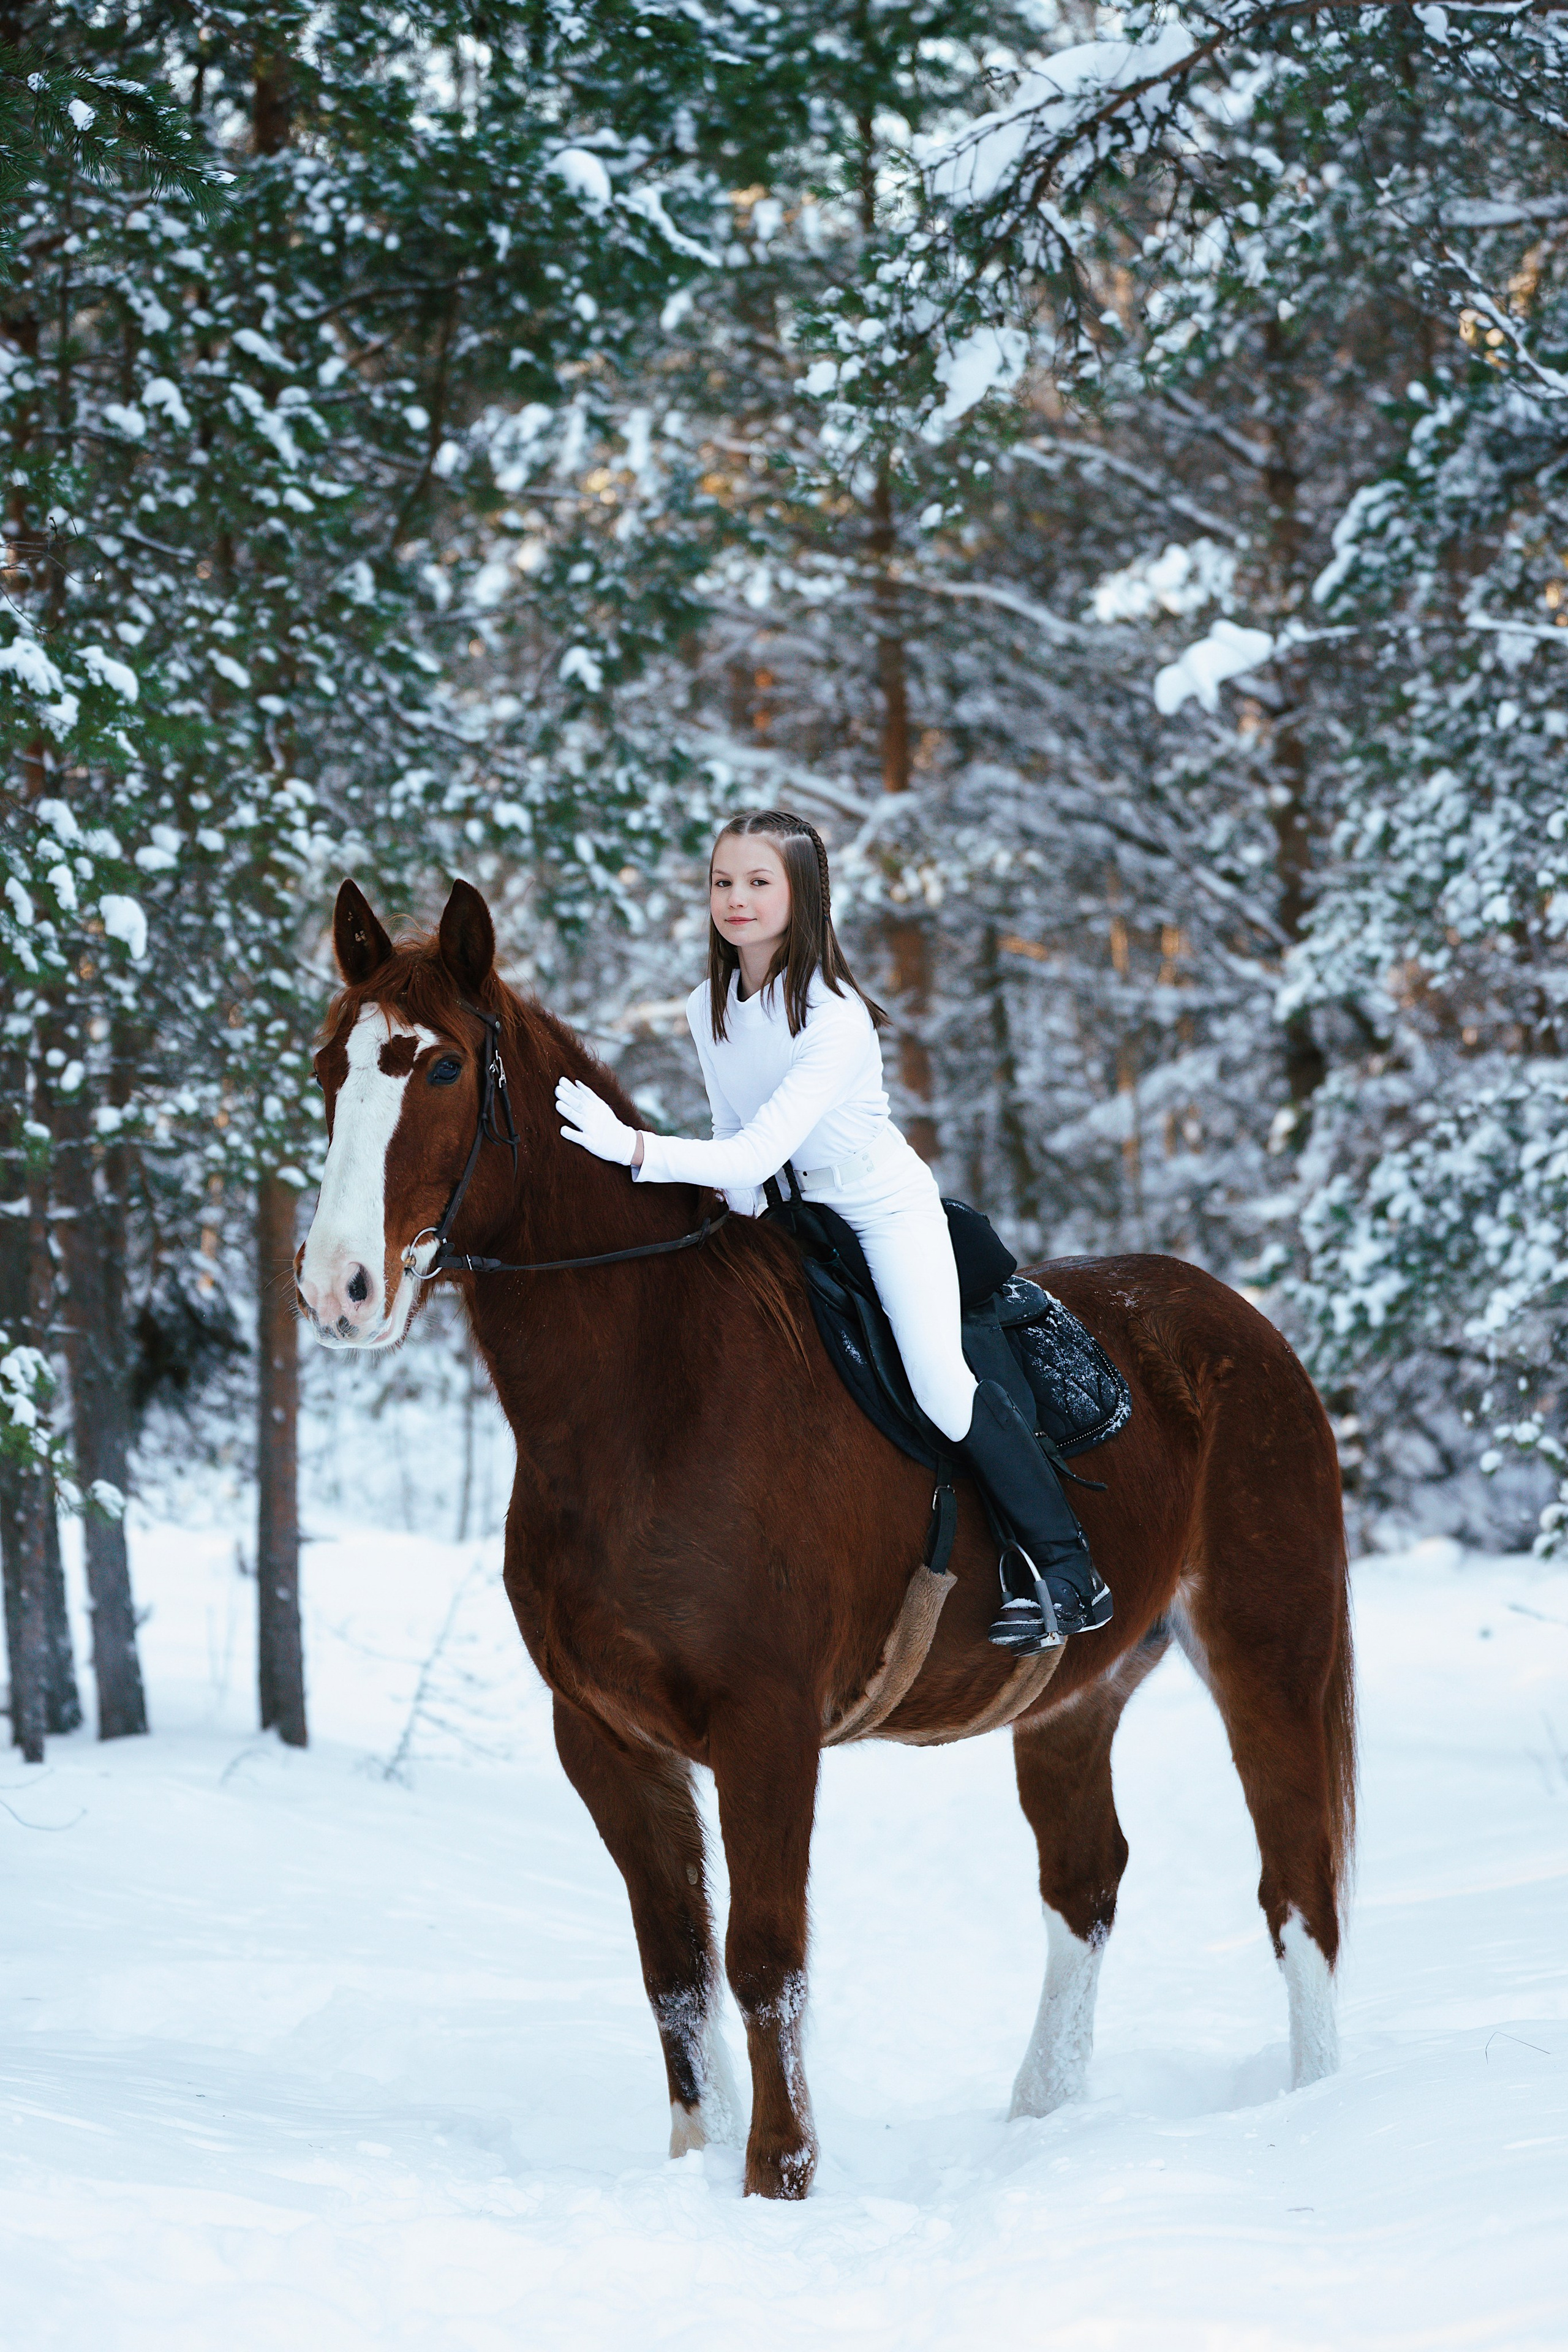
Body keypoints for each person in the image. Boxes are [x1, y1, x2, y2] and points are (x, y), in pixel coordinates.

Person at [555, 809, 1112, 1651]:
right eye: (722, 881)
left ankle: (1071, 1570)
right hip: (792, 1211)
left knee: (936, 1382)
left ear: (803, 895)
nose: (735, 899)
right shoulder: (708, 1005)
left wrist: (631, 1149)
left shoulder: (836, 1016)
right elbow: (729, 1133)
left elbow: (757, 1148)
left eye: (758, 882)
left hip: (884, 1210)